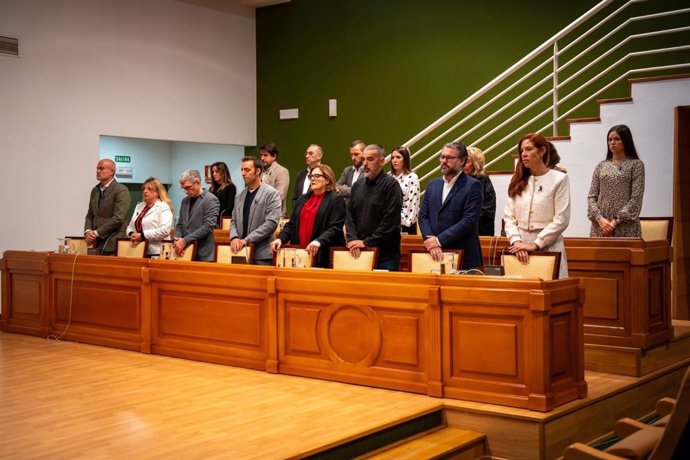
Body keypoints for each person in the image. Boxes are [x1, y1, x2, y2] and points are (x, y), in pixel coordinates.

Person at [504, 133, 570, 279]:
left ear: (542, 151)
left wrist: (536, 244)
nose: (524, 154)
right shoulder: (518, 180)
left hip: (549, 246)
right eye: (521, 151)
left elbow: (561, 219)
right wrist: (517, 241)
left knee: (550, 295)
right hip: (520, 250)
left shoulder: (559, 179)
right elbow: (509, 217)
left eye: (528, 149)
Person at [418, 142, 482, 270]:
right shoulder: (433, 184)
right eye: (442, 157)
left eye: (449, 158)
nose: (444, 161)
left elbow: (468, 220)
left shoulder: (473, 185)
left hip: (463, 255)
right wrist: (431, 241)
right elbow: (423, 216)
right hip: (435, 253)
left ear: (462, 161)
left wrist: (439, 240)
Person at [270, 164, 345, 268]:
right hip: (300, 253)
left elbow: (335, 227)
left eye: (317, 176)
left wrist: (319, 241)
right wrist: (281, 239)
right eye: (311, 176)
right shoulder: (302, 199)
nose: (313, 179)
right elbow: (291, 225)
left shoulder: (335, 200)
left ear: (327, 180)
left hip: (323, 253)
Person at [346, 144, 403, 271]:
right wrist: (353, 240)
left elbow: (390, 222)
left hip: (385, 255)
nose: (365, 163)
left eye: (370, 159)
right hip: (359, 251)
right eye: (364, 159)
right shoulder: (357, 185)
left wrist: (366, 242)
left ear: (382, 161)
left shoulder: (391, 186)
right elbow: (349, 215)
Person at [587, 124, 645, 238]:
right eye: (609, 139)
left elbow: (636, 199)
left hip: (625, 227)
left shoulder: (636, 165)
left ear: (626, 141)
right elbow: (591, 197)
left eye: (617, 139)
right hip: (600, 226)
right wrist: (600, 219)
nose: (612, 142)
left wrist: (615, 221)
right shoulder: (601, 166)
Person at [231, 156, 282, 265]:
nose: (243, 173)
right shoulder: (239, 196)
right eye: (242, 170)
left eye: (247, 170)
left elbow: (271, 223)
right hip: (240, 252)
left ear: (258, 171)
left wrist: (246, 240)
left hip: (261, 255)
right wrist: (234, 237)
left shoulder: (271, 193)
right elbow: (233, 221)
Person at [84, 158, 132, 255]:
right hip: (95, 243)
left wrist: (97, 232)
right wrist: (88, 231)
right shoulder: (95, 190)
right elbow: (90, 214)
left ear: (112, 171)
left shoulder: (121, 190)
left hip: (113, 243)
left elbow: (118, 218)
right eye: (97, 168)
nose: (97, 171)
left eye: (101, 169)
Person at [174, 169, 219, 262]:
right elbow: (180, 224)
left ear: (197, 182)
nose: (186, 191)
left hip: (203, 254)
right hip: (185, 252)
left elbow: (208, 226)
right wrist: (177, 239)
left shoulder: (210, 199)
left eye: (188, 187)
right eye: (183, 188)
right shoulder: (185, 201)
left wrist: (185, 240)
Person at [126, 177, 174, 257]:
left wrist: (142, 236)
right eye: (144, 189)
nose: (145, 191)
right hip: (139, 250)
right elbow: (130, 226)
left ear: (157, 193)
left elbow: (164, 231)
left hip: (157, 252)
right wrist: (131, 234)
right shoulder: (139, 206)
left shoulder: (163, 207)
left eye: (149, 189)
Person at [464, 146, 496, 236]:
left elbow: (487, 209)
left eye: (467, 162)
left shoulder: (483, 180)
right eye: (462, 161)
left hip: (480, 229)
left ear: (476, 164)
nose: (463, 165)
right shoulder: (458, 180)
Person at [389, 146, 420, 234]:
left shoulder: (412, 177)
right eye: (392, 158)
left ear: (405, 159)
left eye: (398, 157)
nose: (394, 160)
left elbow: (412, 203)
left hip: (406, 224)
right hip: (389, 223)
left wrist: (398, 219)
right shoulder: (390, 178)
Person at [260, 142, 290, 216]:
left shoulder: (282, 171)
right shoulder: (259, 171)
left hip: (275, 215)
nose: (262, 158)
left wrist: (259, 202)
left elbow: (280, 196)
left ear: (274, 156)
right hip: (259, 215)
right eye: (261, 155)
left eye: (265, 155)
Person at [292, 144, 323, 210]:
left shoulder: (324, 174)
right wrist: (297, 211)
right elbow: (295, 198)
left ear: (319, 156)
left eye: (310, 153)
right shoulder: (301, 174)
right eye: (306, 153)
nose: (306, 156)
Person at [336, 140, 366, 206]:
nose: (353, 158)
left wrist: (343, 189)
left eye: (356, 154)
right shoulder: (347, 170)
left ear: (364, 154)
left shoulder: (369, 171)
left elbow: (362, 191)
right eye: (351, 154)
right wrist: (353, 190)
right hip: (346, 211)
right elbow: (335, 187)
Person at [209, 161, 237, 226]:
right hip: (211, 221)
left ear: (223, 172)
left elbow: (230, 207)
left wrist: (218, 217)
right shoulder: (211, 188)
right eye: (213, 172)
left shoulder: (230, 187)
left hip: (223, 221)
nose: (214, 174)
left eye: (216, 171)